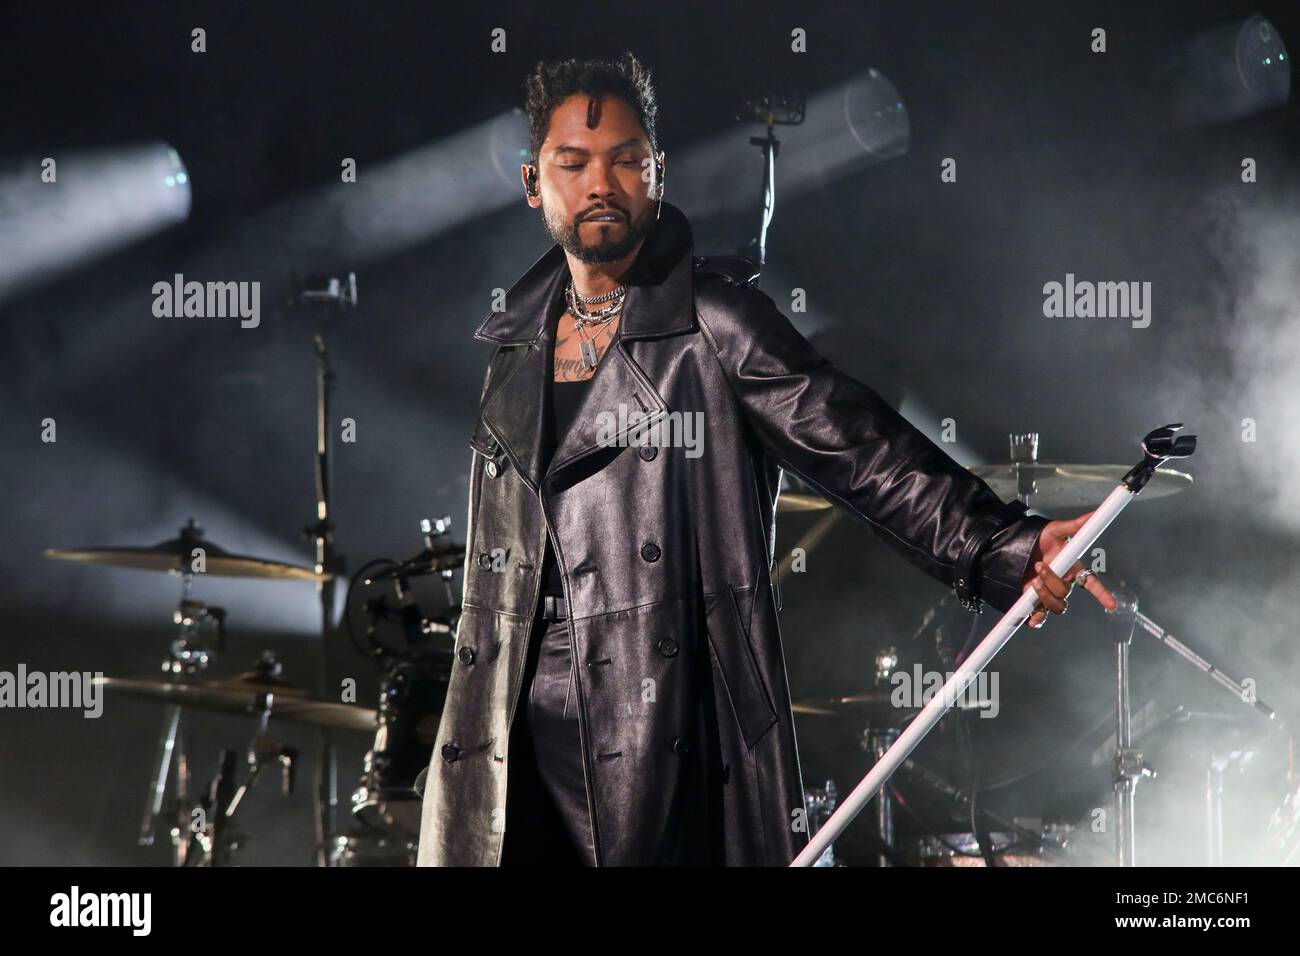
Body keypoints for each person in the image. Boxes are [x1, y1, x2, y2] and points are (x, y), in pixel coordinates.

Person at [416, 51, 1115, 868]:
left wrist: (1004, 542)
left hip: (657, 727)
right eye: (573, 163)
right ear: (535, 182)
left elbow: (857, 445)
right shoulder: (513, 348)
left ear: (659, 173)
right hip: (513, 743)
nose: (600, 182)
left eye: (626, 161)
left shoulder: (715, 322)